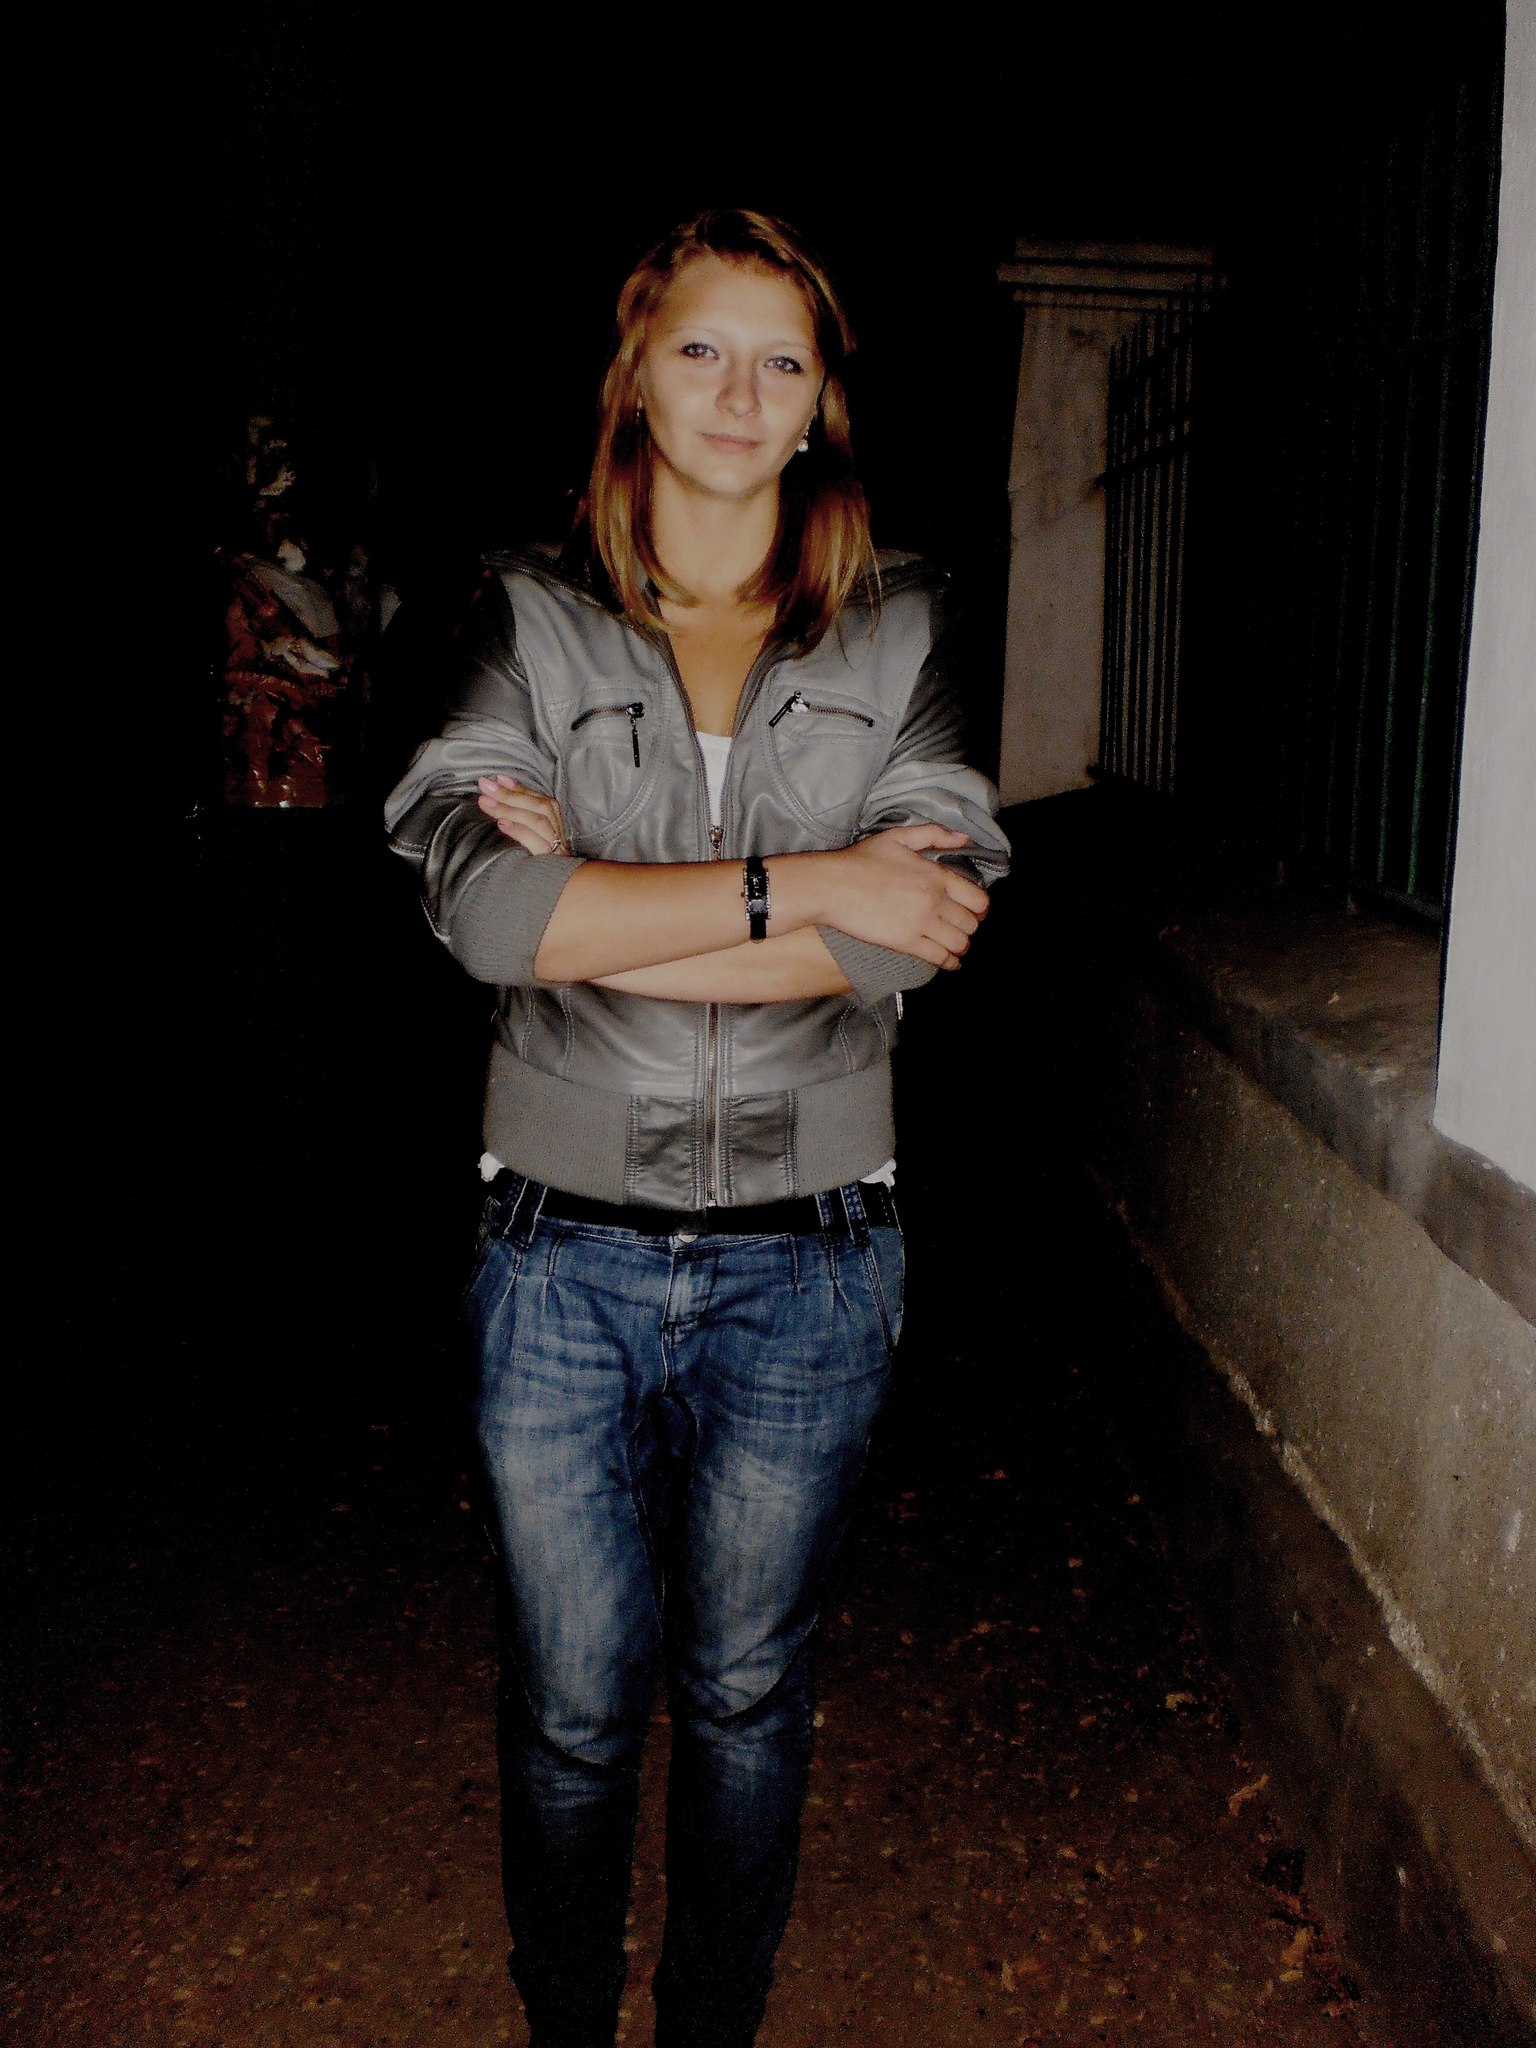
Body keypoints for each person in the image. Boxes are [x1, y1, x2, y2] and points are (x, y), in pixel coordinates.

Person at [385, 208, 1010, 2048]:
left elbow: (920, 934)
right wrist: (812, 886)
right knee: (575, 1708)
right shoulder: (521, 615)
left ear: (822, 406)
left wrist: (602, 909)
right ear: (637, 379)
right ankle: (568, 2020)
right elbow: (487, 917)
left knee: (746, 1699)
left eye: (782, 361)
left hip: (816, 1255)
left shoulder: (906, 622)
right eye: (703, 350)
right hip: (556, 1249)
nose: (741, 394)